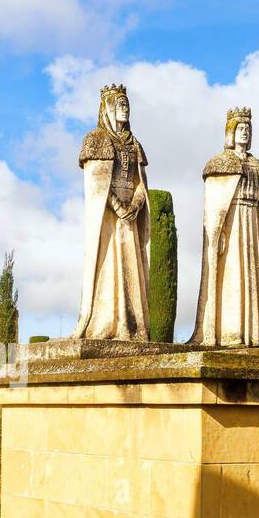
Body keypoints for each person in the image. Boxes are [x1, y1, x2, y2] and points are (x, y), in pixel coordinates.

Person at [71, 84, 151, 340]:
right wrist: (117, 206)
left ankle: (131, 325)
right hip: (107, 217)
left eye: (127, 104)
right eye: (120, 104)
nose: (124, 109)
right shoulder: (97, 140)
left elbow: (141, 182)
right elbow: (97, 184)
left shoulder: (135, 144)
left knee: (131, 268)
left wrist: (135, 206)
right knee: (108, 264)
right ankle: (107, 322)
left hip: (130, 216)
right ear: (107, 108)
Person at [191, 107, 259, 347]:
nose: (244, 133)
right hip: (232, 223)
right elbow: (215, 206)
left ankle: (251, 335)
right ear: (230, 133)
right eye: (240, 129)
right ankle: (229, 332)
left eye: (247, 129)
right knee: (232, 275)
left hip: (251, 220)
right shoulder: (220, 163)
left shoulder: (257, 165)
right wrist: (219, 232)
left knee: (252, 276)